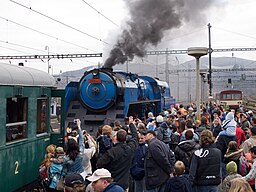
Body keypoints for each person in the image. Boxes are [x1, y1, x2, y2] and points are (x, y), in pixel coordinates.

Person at [97, 116, 138, 190]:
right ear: (126, 138)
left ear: (115, 138)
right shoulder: (130, 149)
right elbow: (135, 137)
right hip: (124, 184)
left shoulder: (111, 152)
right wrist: (131, 124)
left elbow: (99, 164)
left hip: (112, 185)